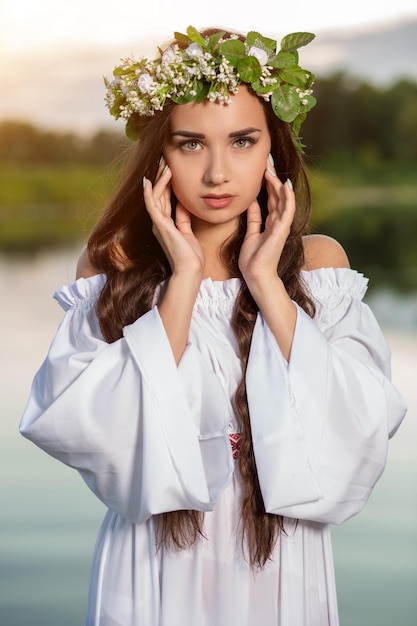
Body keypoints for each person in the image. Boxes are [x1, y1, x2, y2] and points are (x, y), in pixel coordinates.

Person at [20, 26, 407, 626]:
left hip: (283, 552)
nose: (218, 173)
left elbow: (361, 426)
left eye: (243, 141)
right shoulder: (112, 269)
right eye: (191, 144)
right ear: (161, 155)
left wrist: (268, 285)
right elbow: (91, 428)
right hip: (155, 560)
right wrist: (182, 279)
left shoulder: (320, 266)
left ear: (272, 148)